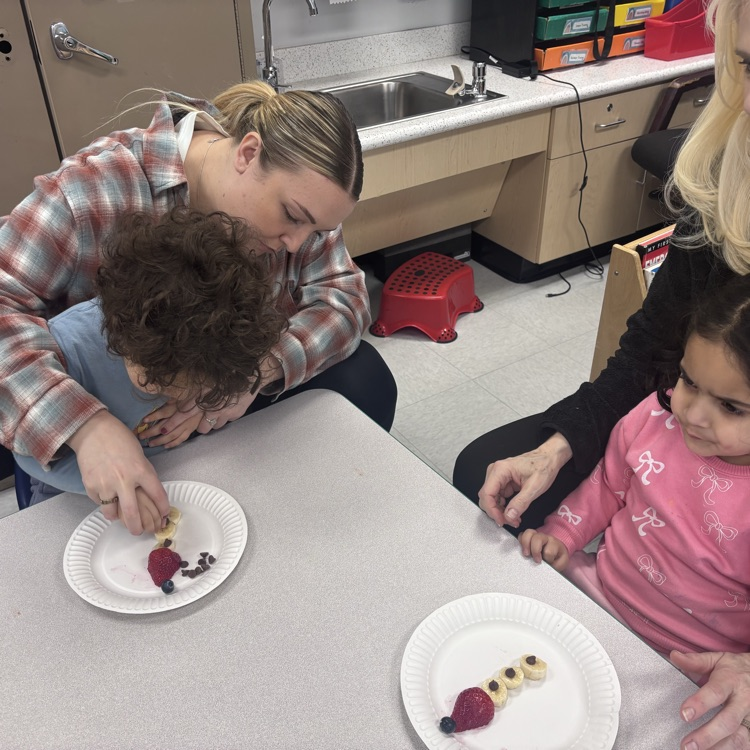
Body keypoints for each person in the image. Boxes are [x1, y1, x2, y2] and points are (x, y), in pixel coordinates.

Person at [453, 1, 750, 746]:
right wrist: (559, 452)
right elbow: (650, 352)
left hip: (695, 655)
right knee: (484, 479)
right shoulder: (724, 175)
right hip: (606, 599)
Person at [0, 80, 397, 536]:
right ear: (247, 154)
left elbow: (344, 300)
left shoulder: (304, 205)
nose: (296, 245)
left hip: (215, 405)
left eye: (317, 231)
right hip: (113, 418)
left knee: (366, 378)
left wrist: (254, 373)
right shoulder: (94, 190)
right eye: (292, 216)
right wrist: (87, 429)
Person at [519, 275, 750, 661]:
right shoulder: (656, 415)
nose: (691, 414)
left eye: (730, 407)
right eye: (689, 381)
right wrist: (563, 533)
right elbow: (609, 486)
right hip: (596, 592)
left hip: (693, 664)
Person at [14, 208, 285, 525]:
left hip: (174, 476)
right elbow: (27, 452)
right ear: (124, 337)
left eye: (196, 388)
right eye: (161, 384)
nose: (180, 398)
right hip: (68, 498)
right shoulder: (68, 348)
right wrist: (118, 484)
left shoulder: (211, 346)